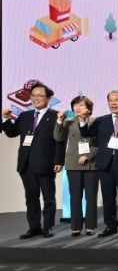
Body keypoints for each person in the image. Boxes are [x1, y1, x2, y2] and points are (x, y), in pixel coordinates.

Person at [2, 83, 65, 238]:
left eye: (40, 95)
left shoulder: (55, 116)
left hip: (46, 164)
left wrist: (59, 161)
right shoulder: (25, 116)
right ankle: (34, 227)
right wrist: (5, 119)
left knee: (48, 199)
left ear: (48, 98)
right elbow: (12, 133)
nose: (36, 98)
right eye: (33, 95)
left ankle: (48, 227)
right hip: (26, 164)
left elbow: (60, 141)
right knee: (31, 198)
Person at [79, 90, 118, 237]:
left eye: (117, 100)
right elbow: (86, 133)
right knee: (108, 198)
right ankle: (111, 226)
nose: (113, 103)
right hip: (106, 165)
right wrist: (83, 120)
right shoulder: (101, 120)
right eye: (111, 100)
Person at [54, 96, 100, 236]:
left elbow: (99, 144)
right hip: (73, 163)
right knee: (75, 196)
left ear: (89, 108)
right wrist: (59, 121)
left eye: (81, 105)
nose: (77, 108)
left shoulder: (96, 122)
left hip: (91, 164)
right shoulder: (68, 122)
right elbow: (58, 137)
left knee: (91, 197)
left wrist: (88, 155)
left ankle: (90, 226)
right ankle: (76, 226)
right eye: (75, 105)